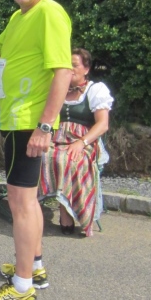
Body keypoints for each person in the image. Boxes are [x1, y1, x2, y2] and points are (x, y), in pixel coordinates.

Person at [0, 0, 73, 300]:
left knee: (21, 202)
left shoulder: (50, 12)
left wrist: (45, 125)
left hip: (29, 121)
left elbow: (63, 71)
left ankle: (22, 287)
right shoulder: (17, 17)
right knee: (24, 200)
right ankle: (35, 267)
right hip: (15, 118)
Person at [39, 48, 113, 237]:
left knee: (68, 159)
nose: (70, 69)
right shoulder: (56, 88)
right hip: (56, 139)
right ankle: (30, 210)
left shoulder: (95, 90)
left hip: (84, 141)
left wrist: (81, 142)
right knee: (40, 155)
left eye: (74, 65)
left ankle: (67, 210)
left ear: (86, 69)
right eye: (67, 65)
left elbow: (103, 124)